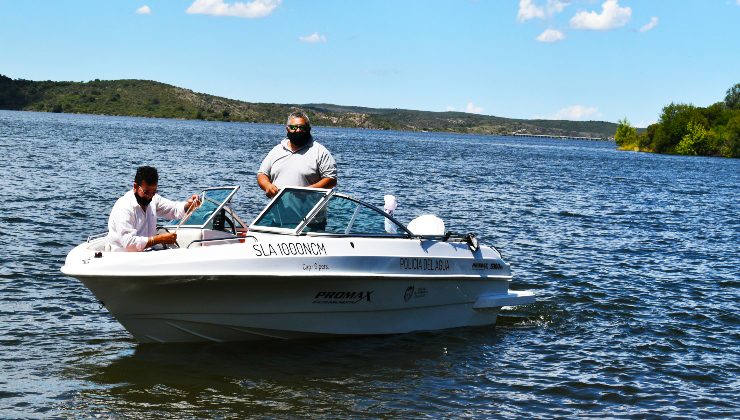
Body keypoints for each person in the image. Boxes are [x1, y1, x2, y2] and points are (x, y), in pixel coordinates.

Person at [107, 166, 200, 252]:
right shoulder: (124, 206)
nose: (149, 197)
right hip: (122, 257)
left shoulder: (153, 199)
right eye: (146, 192)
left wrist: (189, 206)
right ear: (135, 187)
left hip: (147, 254)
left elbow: (174, 209)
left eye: (154, 192)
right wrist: (159, 239)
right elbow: (129, 243)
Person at [257, 111, 337, 198]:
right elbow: (262, 174)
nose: (298, 130)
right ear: (287, 129)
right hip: (278, 208)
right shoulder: (276, 150)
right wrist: (267, 186)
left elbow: (331, 179)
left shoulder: (320, 151)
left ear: (309, 129)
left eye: (302, 127)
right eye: (293, 127)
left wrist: (308, 191)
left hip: (310, 210)